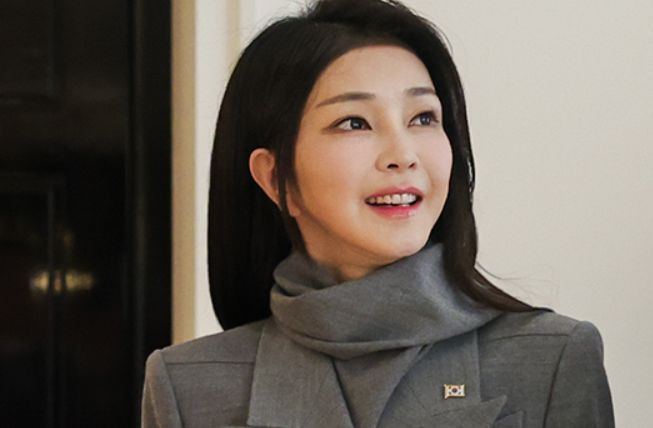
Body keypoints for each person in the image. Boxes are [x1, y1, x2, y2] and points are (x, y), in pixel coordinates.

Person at [141, 0, 615, 426]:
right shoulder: (187, 386)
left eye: (423, 118)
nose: (402, 155)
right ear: (276, 178)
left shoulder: (553, 358)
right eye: (354, 122)